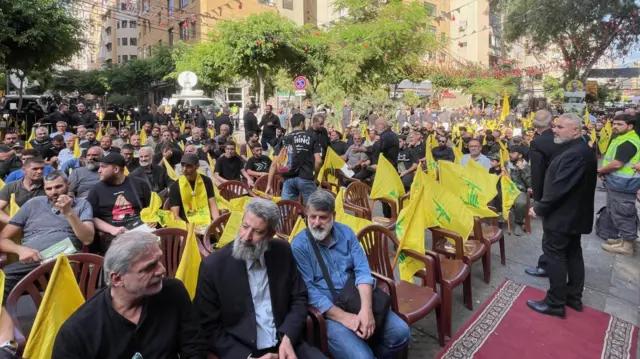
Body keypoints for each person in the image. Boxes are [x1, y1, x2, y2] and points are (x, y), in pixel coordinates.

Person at [194, 198, 327, 359]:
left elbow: (299, 297)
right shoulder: (214, 267)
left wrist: (288, 337)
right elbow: (208, 327)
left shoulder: (283, 252)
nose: (246, 237)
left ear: (271, 234)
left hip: (287, 343)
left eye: (258, 232)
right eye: (245, 226)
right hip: (245, 351)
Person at [291, 190, 411, 359]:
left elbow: (362, 270)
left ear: (333, 215)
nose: (316, 223)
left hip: (356, 298)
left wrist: (366, 310)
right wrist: (345, 318)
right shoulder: (299, 246)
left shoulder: (346, 233)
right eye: (312, 217)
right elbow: (309, 291)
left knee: (401, 334)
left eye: (323, 217)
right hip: (329, 314)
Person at [52, 232, 207, 358]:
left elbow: (194, 349)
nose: (162, 270)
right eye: (149, 267)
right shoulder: (77, 333)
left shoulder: (173, 292)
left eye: (159, 261)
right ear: (118, 279)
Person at [527, 114, 597, 318]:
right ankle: (573, 297)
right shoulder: (578, 148)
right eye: (554, 126)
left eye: (560, 127)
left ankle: (555, 302)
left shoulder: (575, 153)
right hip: (573, 216)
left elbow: (560, 188)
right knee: (573, 254)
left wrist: (539, 208)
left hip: (563, 217)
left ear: (576, 130)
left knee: (555, 257)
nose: (554, 130)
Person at [0, 171, 94, 302]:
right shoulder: (33, 204)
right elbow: (3, 239)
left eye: (58, 187)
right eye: (49, 188)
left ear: (68, 185)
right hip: (34, 259)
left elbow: (87, 239)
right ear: (44, 189)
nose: (54, 192)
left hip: (66, 258)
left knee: (68, 279)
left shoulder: (82, 205)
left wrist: (68, 213)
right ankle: (7, 320)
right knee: (3, 278)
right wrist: (20, 249)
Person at [87, 153, 152, 250]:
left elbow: (151, 208)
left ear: (116, 169)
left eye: (103, 167)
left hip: (141, 229)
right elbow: (91, 217)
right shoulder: (96, 190)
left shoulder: (139, 183)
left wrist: (152, 219)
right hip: (115, 235)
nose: (99, 170)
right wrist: (112, 230)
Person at [598, 114, 640, 255]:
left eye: (619, 124)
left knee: (623, 214)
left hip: (624, 185)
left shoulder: (628, 141)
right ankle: (625, 240)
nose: (615, 126)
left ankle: (627, 246)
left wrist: (600, 170)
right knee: (616, 212)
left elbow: (617, 164)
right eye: (614, 123)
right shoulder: (621, 138)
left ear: (630, 126)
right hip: (617, 183)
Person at [526, 110, 561, 277]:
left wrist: (538, 201)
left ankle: (546, 266)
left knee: (550, 233)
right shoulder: (563, 138)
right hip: (563, 189)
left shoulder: (538, 142)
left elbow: (537, 172)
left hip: (548, 191)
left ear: (534, 124)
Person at [266, 114, 322, 204]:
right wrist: (315, 177)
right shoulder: (312, 136)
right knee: (312, 209)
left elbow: (273, 164)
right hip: (306, 177)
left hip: (288, 179)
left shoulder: (285, 138)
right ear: (302, 123)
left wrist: (269, 185)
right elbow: (318, 161)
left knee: (287, 208)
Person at [168, 153, 220, 224]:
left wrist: (216, 222)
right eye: (183, 165)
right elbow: (175, 216)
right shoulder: (175, 186)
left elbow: (213, 204)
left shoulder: (206, 181)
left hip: (206, 218)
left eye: (189, 166)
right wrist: (188, 226)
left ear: (197, 166)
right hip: (187, 222)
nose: (184, 169)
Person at [0, 157, 46, 225]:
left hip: (42, 226)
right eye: (35, 169)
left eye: (42, 168)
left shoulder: (49, 186)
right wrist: (15, 223)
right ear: (24, 170)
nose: (40, 171)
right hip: (16, 228)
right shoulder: (11, 187)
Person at [506, 146, 532, 236]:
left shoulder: (526, 166)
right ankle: (494, 222)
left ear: (520, 155)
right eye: (510, 152)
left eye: (513, 153)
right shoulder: (506, 164)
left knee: (521, 203)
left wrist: (522, 169)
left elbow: (530, 183)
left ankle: (518, 223)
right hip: (506, 189)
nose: (510, 155)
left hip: (519, 191)